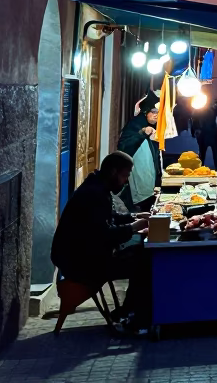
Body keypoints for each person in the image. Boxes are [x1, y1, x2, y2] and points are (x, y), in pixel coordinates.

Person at [51, 151, 151, 332]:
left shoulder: (97, 187)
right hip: (82, 265)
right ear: (113, 172)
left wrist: (134, 217)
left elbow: (107, 218)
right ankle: (133, 315)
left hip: (86, 257)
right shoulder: (94, 194)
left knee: (143, 252)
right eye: (125, 175)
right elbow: (104, 234)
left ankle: (127, 310)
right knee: (145, 262)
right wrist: (134, 227)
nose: (126, 181)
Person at [116, 93, 162, 212]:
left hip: (149, 182)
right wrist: (141, 133)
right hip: (137, 182)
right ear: (145, 112)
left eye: (158, 112)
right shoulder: (135, 125)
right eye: (153, 112)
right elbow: (123, 147)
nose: (156, 115)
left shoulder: (153, 126)